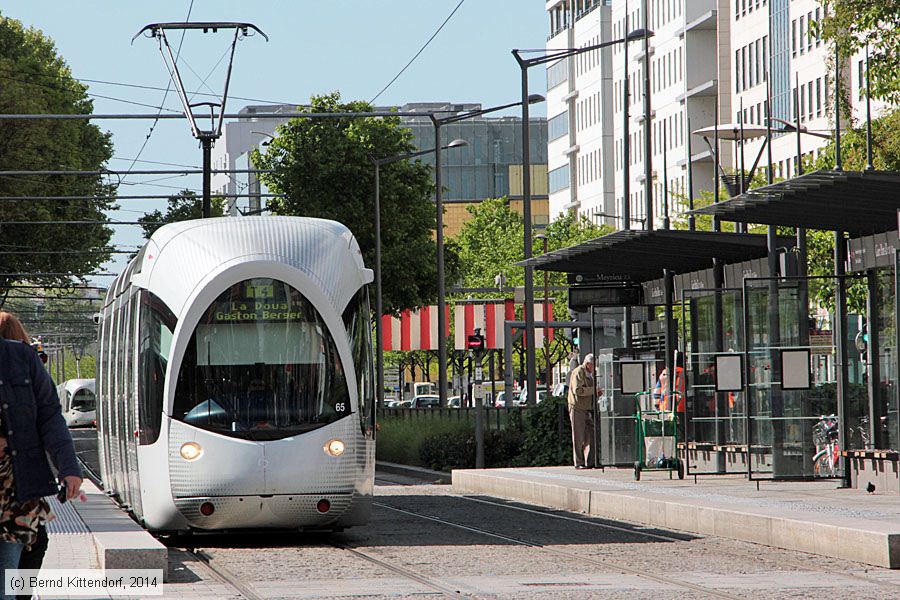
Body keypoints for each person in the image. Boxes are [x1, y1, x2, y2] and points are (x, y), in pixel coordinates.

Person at [0, 311, 82, 600]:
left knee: (7, 587)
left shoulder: (22, 357)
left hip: (12, 495)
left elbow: (49, 415)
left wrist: (68, 468)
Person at [567, 353, 596, 470]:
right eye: (593, 365)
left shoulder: (591, 373)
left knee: (592, 434)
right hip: (577, 407)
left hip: (587, 408)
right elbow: (578, 390)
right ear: (588, 364)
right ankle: (578, 462)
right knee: (578, 436)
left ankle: (590, 461)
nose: (594, 367)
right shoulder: (578, 372)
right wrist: (594, 390)